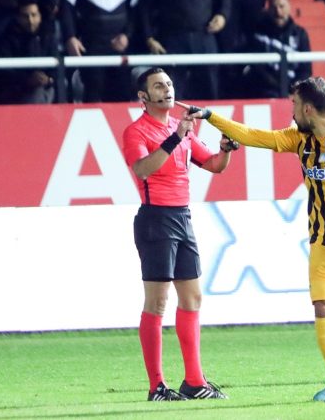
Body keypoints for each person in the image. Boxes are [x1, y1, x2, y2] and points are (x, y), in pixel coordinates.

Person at [186, 76, 325, 402]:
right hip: (323, 243)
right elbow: (252, 135)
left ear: (307, 109)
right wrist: (210, 117)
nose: (291, 111)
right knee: (323, 307)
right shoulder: (298, 138)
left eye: (294, 104)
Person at [122, 67, 235, 401]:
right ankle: (156, 386)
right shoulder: (136, 131)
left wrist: (226, 149)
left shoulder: (179, 126)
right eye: (158, 86)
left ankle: (194, 382)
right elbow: (142, 169)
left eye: (169, 84)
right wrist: (176, 137)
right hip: (155, 218)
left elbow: (213, 164)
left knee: (193, 298)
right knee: (157, 302)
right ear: (143, 97)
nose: (167, 89)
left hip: (183, 217)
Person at [139, 0, 230, 100]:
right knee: (171, 91)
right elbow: (144, 6)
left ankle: (210, 114)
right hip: (171, 39)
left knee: (210, 87)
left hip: (204, 35)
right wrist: (149, 37)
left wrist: (222, 15)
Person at [60, 0, 138, 102]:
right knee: (93, 93)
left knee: (122, 94)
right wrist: (70, 36)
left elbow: (136, 9)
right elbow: (66, 6)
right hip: (91, 46)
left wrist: (127, 35)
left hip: (121, 48)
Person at [242, 0, 312, 98]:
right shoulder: (258, 33)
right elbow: (257, 67)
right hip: (264, 92)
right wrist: (278, 89)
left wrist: (294, 91)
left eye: (282, 7)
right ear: (268, 9)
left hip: (293, 94)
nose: (278, 12)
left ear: (289, 8)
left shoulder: (300, 34)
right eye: (274, 7)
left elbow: (305, 69)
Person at [0, 0, 58, 105]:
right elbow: (4, 73)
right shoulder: (7, 39)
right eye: (25, 16)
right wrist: (26, 80)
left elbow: (57, 69)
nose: (30, 20)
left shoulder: (48, 38)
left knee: (39, 93)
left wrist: (48, 79)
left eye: (34, 15)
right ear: (18, 17)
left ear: (40, 17)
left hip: (45, 89)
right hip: (15, 92)